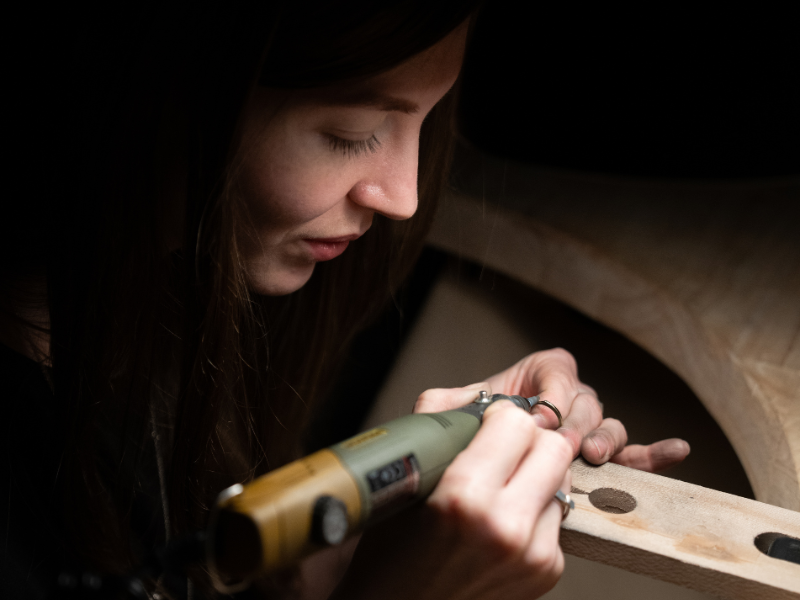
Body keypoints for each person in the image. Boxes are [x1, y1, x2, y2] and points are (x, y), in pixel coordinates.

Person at [0, 2, 689, 598]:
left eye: (428, 117)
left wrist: (390, 535)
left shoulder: (177, 311)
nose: (405, 196)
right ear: (152, 84)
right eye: (353, 133)